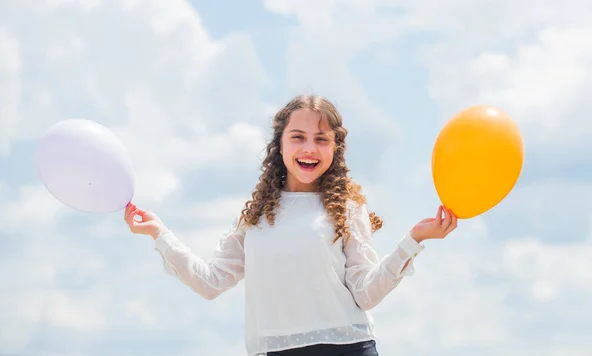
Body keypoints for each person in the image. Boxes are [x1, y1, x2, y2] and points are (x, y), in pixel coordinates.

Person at [124, 95, 458, 356]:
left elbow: (366, 293)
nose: (309, 148)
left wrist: (413, 240)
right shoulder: (254, 219)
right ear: (280, 144)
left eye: (322, 139)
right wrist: (160, 234)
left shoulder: (346, 209)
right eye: (298, 137)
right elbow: (210, 282)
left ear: (335, 149)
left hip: (348, 351)